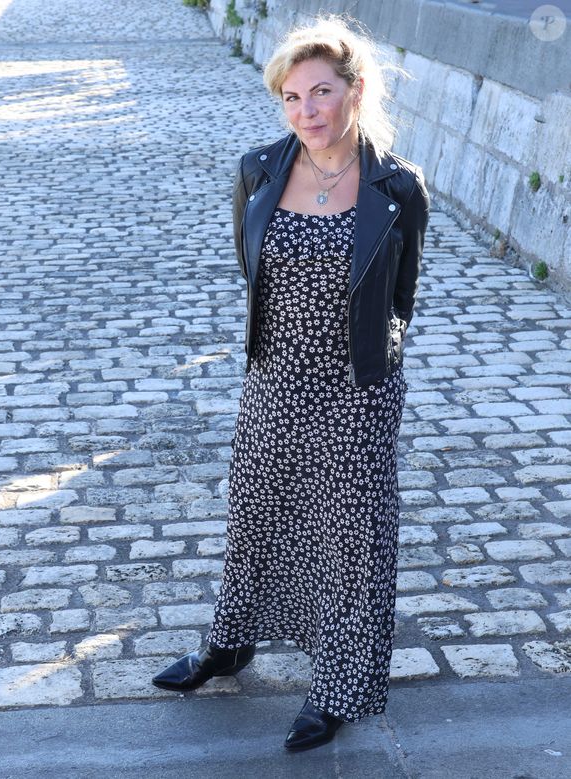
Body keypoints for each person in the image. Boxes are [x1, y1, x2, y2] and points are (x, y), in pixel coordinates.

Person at [152, 14, 430, 753]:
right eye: (291, 97)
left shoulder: (398, 187)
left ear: (355, 91)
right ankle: (230, 643)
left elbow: (401, 295)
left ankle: (337, 684)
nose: (307, 110)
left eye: (321, 92)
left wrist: (373, 372)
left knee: (349, 539)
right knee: (254, 517)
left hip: (355, 390)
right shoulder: (258, 171)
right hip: (274, 379)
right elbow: (252, 268)